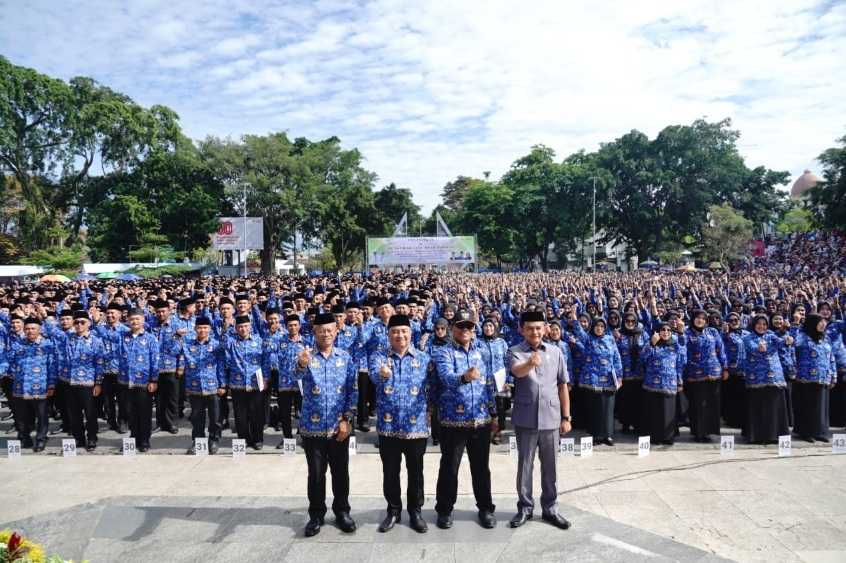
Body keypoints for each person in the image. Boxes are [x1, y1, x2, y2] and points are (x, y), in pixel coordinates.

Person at [293, 312, 357, 537]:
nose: (326, 334)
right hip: (313, 427)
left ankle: (342, 512)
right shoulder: (307, 355)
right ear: (315, 332)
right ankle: (316, 515)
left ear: (336, 331)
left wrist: (347, 420)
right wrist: (301, 364)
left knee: (341, 473)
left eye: (330, 330)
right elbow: (293, 377)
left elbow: (352, 390)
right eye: (322, 330)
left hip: (339, 427)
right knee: (316, 474)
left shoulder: (345, 357)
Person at [432, 309, 498, 530]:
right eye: (461, 326)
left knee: (481, 468)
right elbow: (445, 378)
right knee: (450, 467)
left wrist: (494, 413)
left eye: (469, 326)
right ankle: (444, 510)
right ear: (453, 329)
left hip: (480, 419)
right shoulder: (444, 352)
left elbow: (489, 384)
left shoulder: (481, 352)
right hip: (453, 421)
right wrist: (464, 377)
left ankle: (486, 508)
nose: (466, 330)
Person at [506, 310, 571, 530]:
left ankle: (550, 508)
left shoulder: (556, 351)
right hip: (526, 418)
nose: (535, 332)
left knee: (550, 467)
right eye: (530, 328)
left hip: (551, 419)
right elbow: (517, 372)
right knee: (525, 466)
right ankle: (525, 508)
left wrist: (566, 417)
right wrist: (530, 363)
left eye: (538, 327)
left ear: (545, 328)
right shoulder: (515, 351)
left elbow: (563, 385)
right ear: (522, 330)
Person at [368, 314, 432, 534]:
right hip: (389, 427)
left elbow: (432, 387)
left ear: (410, 333)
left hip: (416, 428)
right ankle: (393, 510)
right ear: (388, 335)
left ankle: (416, 511)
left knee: (416, 472)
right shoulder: (378, 357)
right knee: (390, 472)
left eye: (403, 331)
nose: (400, 335)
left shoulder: (423, 358)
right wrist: (383, 373)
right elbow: (375, 378)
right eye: (395, 331)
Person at [170, 317, 225, 455]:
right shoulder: (187, 343)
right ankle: (198, 442)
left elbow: (221, 366)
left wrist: (223, 384)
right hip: (194, 387)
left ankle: (213, 440)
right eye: (200, 327)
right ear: (195, 329)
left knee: (215, 418)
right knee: (196, 417)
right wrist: (176, 336)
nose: (202, 330)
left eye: (205, 327)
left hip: (213, 387)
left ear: (210, 329)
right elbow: (173, 351)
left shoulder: (217, 345)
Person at [568, 314, 622, 446]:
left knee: (608, 409)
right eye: (597, 326)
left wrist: (619, 376)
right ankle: (596, 435)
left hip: (609, 379)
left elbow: (616, 357)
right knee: (595, 408)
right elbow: (579, 331)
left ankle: (608, 436)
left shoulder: (610, 339)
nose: (599, 328)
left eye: (602, 326)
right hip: (592, 379)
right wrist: (575, 318)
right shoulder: (588, 339)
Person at [740, 315, 791, 444]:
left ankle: (774, 435)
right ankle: (757, 436)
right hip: (756, 377)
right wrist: (759, 348)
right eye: (759, 323)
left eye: (764, 324)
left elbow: (781, 342)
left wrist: (787, 340)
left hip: (774, 377)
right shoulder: (747, 337)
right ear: (754, 324)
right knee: (758, 407)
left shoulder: (771, 335)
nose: (761, 326)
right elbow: (751, 347)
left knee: (773, 408)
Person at [9, 317, 58, 452]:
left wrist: (51, 385)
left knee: (42, 416)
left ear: (39, 330)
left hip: (40, 388)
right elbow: (10, 361)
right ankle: (25, 438)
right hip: (20, 387)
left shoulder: (47, 346)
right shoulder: (18, 344)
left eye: (33, 328)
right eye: (27, 329)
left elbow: (52, 367)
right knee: (22, 417)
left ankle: (41, 440)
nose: (30, 331)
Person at [63, 311, 106, 451]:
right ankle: (79, 439)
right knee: (74, 414)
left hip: (88, 383)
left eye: (82, 322)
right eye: (76, 322)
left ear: (89, 323)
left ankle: (92, 437)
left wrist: (98, 383)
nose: (79, 325)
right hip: (70, 382)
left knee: (90, 413)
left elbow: (99, 363)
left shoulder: (95, 340)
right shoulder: (68, 339)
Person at [117, 308, 159, 453]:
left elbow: (155, 360)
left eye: (137, 319)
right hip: (125, 381)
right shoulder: (122, 337)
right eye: (132, 319)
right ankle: (134, 438)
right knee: (130, 412)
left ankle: (145, 440)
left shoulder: (150, 338)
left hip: (144, 382)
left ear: (143, 320)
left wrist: (154, 380)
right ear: (127, 321)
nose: (134, 322)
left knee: (144, 412)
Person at [684, 310, 728, 443]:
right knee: (698, 404)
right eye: (697, 318)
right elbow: (683, 351)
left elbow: (721, 350)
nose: (700, 320)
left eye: (703, 318)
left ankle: (709, 431)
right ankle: (698, 432)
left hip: (714, 373)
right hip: (696, 374)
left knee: (712, 404)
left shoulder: (713, 332)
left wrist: (725, 367)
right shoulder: (687, 333)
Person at [224, 315, 267, 450]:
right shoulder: (232, 342)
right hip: (238, 384)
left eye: (245, 326)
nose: (243, 329)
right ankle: (244, 440)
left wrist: (265, 379)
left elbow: (265, 361)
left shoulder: (259, 341)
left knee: (257, 414)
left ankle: (258, 439)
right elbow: (222, 343)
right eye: (240, 327)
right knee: (240, 415)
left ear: (250, 327)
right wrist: (226, 328)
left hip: (256, 383)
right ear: (236, 328)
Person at [793, 313, 837, 442]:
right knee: (808, 406)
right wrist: (795, 324)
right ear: (812, 323)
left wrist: (833, 375)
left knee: (821, 407)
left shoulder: (825, 339)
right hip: (806, 378)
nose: (823, 324)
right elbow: (793, 343)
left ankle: (820, 432)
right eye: (820, 322)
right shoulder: (803, 337)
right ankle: (806, 433)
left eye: (824, 322)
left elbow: (831, 358)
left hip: (823, 377)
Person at [641, 323, 686, 445]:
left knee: (668, 413)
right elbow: (642, 358)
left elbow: (681, 362)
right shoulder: (652, 344)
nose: (665, 332)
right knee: (655, 413)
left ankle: (668, 437)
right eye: (663, 330)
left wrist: (679, 382)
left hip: (670, 384)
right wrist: (652, 343)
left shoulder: (675, 346)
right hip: (653, 385)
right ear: (658, 332)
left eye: (668, 330)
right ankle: (655, 437)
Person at [615, 311, 648, 435]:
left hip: (639, 374)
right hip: (625, 374)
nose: (630, 323)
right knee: (625, 401)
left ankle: (637, 424)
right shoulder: (619, 335)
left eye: (632, 321)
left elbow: (648, 349)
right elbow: (615, 353)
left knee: (638, 401)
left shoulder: (643, 334)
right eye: (627, 321)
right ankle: (626, 424)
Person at [151, 299, 180, 434]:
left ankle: (171, 423)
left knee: (172, 397)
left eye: (163, 311)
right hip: (156, 368)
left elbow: (183, 348)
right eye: (158, 312)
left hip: (172, 367)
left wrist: (181, 366)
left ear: (169, 311)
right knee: (158, 398)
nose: (161, 314)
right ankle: (160, 423)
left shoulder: (176, 326)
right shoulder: (151, 326)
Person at [478, 317, 509, 445]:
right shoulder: (478, 342)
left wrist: (509, 379)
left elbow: (508, 360)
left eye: (491, 326)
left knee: (500, 406)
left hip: (500, 380)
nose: (488, 328)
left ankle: (499, 432)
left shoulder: (501, 342)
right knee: (485, 406)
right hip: (484, 381)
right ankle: (487, 431)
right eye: (486, 326)